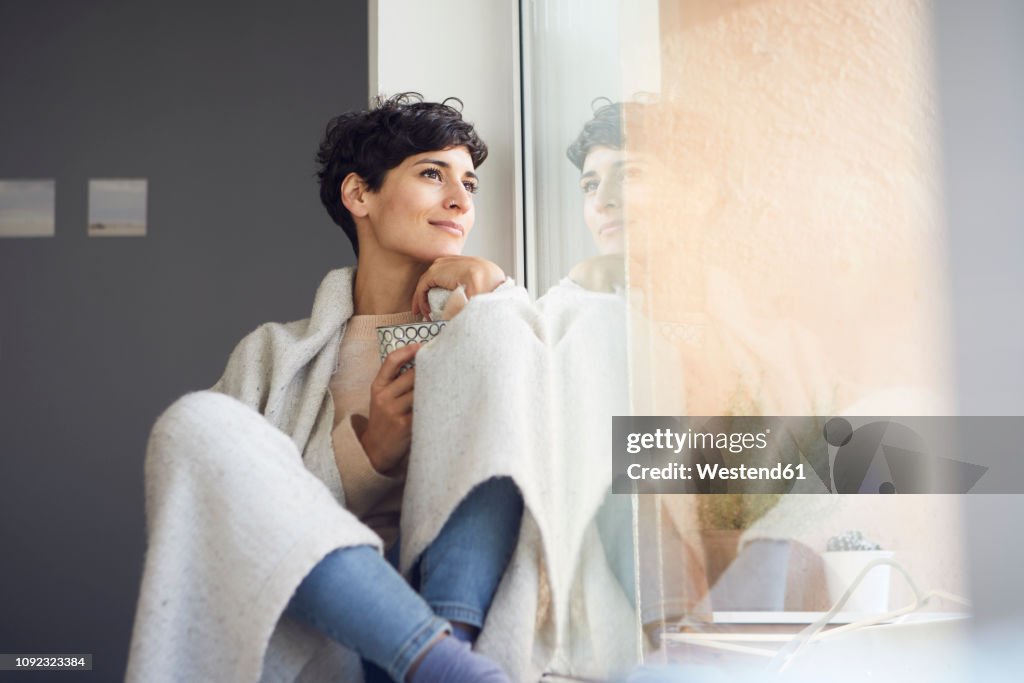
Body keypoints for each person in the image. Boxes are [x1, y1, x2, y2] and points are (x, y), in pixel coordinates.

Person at [127, 93, 523, 683]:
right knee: (193, 422)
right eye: (432, 174)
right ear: (359, 194)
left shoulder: (489, 316)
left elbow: (558, 440)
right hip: (336, 644)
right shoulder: (269, 356)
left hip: (466, 617)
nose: (460, 200)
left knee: (503, 337)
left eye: (469, 183)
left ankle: (449, 651)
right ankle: (437, 663)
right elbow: (224, 526)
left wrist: (496, 290)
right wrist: (366, 458)